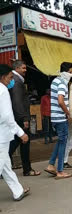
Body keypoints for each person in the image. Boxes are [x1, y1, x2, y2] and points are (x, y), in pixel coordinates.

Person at [0, 64, 30, 201]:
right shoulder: (3, 90)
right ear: (3, 77)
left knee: (5, 165)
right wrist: (20, 132)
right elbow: (7, 117)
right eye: (10, 77)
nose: (11, 80)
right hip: (2, 135)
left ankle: (17, 191)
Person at [8, 60, 41, 176]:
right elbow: (18, 102)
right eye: (23, 68)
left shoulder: (15, 80)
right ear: (16, 69)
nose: (25, 70)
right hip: (20, 118)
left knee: (17, 142)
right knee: (22, 142)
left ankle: (25, 168)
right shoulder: (16, 81)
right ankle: (26, 169)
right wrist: (24, 119)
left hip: (17, 117)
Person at [44, 62, 72, 179]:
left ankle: (51, 165)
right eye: (70, 72)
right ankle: (60, 171)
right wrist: (68, 113)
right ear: (65, 72)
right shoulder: (62, 83)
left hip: (55, 117)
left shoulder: (55, 81)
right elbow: (61, 101)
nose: (71, 74)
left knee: (60, 141)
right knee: (63, 143)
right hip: (61, 118)